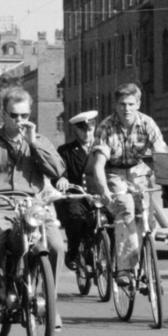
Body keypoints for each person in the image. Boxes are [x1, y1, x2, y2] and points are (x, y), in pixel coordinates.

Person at [0, 86, 66, 312]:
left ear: (31, 115)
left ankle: (49, 303)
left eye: (25, 115)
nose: (20, 120)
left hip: (33, 205)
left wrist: (34, 144)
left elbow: (57, 170)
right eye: (14, 115)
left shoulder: (39, 141)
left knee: (57, 246)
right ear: (4, 114)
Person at [86, 83, 168, 280]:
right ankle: (124, 269)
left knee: (146, 219)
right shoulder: (106, 127)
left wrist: (165, 180)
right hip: (114, 172)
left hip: (140, 171)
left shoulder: (148, 124)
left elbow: (161, 155)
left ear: (138, 104)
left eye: (131, 104)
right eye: (122, 104)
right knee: (126, 209)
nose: (127, 109)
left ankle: (145, 264)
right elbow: (98, 165)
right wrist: (104, 190)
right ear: (116, 105)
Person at [57, 109, 100, 274]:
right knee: (76, 219)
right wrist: (61, 179)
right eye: (83, 129)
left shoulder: (102, 148)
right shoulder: (66, 151)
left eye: (90, 129)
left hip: (98, 194)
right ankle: (73, 252)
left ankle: (110, 255)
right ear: (76, 130)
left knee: (112, 220)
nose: (87, 133)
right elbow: (60, 171)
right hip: (77, 196)